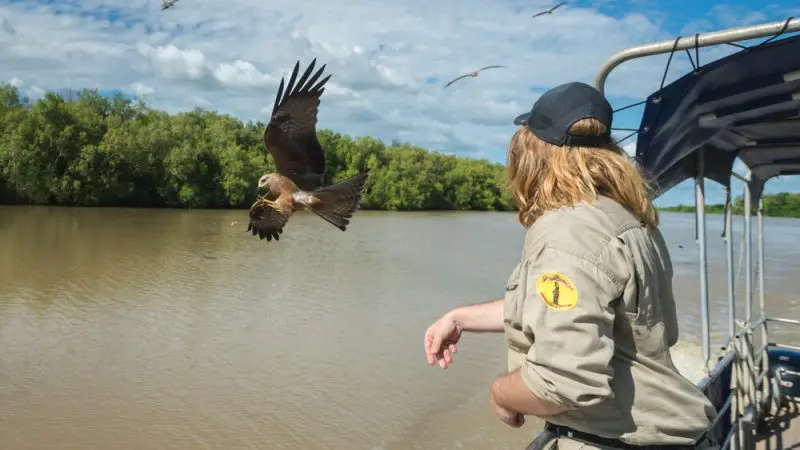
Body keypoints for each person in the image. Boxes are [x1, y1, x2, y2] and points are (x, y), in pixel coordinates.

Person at [423, 81, 718, 449]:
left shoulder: (568, 234)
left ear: (533, 152)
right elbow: (580, 305)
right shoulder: (627, 219)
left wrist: (501, 393)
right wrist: (460, 317)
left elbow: (564, 381)